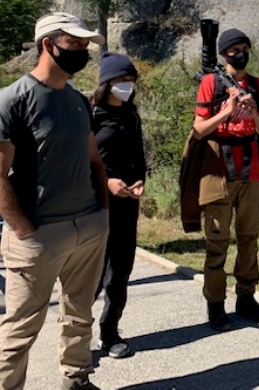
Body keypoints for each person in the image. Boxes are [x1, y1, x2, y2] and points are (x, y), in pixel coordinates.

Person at [0, 12, 110, 390]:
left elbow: (94, 159)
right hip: (39, 233)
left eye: (84, 45)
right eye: (75, 44)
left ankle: (76, 380)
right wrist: (24, 231)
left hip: (88, 227)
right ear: (49, 44)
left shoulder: (78, 100)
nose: (83, 52)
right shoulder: (13, 100)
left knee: (80, 314)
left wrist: (102, 214)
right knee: (20, 328)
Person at [192, 28, 259, 330]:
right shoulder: (210, 84)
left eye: (245, 47)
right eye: (235, 49)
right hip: (219, 170)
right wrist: (226, 112)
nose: (241, 53)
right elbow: (199, 129)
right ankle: (215, 305)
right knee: (217, 241)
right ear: (224, 54)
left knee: (249, 239)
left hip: (251, 171)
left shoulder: (258, 86)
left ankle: (246, 298)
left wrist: (252, 114)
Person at [91, 52, 146, 359]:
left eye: (130, 80)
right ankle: (75, 336)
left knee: (120, 272)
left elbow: (139, 157)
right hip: (96, 205)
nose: (126, 86)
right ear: (106, 82)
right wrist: (108, 182)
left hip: (127, 205)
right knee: (93, 275)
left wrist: (139, 181)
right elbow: (83, 162)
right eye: (121, 80)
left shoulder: (131, 114)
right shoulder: (90, 113)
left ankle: (110, 332)